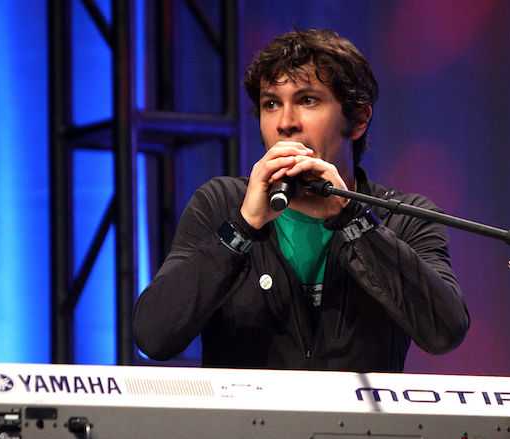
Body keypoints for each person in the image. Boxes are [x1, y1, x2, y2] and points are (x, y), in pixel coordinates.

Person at [133, 29, 469, 372]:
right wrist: (242, 228)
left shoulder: (404, 217)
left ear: (358, 119)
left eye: (308, 100)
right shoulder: (221, 204)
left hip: (358, 427)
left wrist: (354, 220)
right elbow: (153, 337)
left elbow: (444, 332)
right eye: (271, 104)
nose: (285, 123)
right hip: (247, 425)